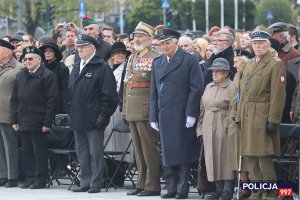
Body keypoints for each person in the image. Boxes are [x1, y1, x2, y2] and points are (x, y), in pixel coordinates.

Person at [150, 28, 204, 199]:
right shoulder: (157, 62)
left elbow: (196, 88)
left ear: (175, 42)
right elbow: (154, 92)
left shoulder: (189, 59)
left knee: (182, 153)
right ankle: (171, 188)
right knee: (167, 153)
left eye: (167, 43)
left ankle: (182, 189)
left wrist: (191, 113)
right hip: (164, 113)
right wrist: (153, 115)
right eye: (162, 44)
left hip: (181, 113)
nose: (164, 47)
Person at [235, 30, 286, 199]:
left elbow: (278, 95)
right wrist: (239, 116)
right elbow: (243, 92)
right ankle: (257, 193)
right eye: (255, 43)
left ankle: (270, 194)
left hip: (262, 117)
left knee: (264, 159)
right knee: (251, 158)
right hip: (248, 115)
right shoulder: (249, 64)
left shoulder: (275, 63)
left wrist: (273, 119)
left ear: (268, 44)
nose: (257, 46)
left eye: (261, 43)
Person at [69, 34, 118, 193]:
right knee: (81, 152)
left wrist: (103, 116)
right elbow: (70, 92)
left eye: (83, 47)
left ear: (92, 49)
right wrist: (70, 108)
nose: (80, 50)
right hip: (78, 116)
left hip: (94, 117)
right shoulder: (77, 66)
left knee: (95, 152)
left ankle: (96, 183)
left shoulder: (101, 66)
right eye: (79, 47)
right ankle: (85, 181)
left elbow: (110, 96)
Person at [11, 46, 58, 189]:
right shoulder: (21, 75)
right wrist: (15, 119)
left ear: (39, 59)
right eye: (25, 59)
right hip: (23, 118)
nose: (27, 61)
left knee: (39, 152)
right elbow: (14, 99)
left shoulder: (47, 75)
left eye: (30, 58)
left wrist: (47, 122)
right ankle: (30, 177)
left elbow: (52, 100)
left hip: (39, 119)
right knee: (27, 151)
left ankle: (40, 179)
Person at [122, 21, 161, 197]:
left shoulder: (155, 57)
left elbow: (156, 88)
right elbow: (127, 86)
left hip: (146, 110)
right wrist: (124, 109)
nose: (136, 39)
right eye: (135, 36)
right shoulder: (132, 56)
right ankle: (141, 182)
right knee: (138, 151)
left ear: (149, 38)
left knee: (148, 149)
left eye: (140, 36)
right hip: (132, 109)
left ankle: (152, 185)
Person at [197, 58, 233, 200]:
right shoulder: (209, 86)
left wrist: (230, 127)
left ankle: (227, 189)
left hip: (223, 124)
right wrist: (199, 129)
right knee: (211, 156)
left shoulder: (232, 86)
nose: (214, 73)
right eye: (213, 71)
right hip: (207, 124)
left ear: (226, 73)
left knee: (225, 157)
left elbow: (235, 109)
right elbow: (202, 109)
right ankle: (217, 189)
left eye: (218, 71)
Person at [104, 42, 133, 187]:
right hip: (107, 109)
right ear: (112, 55)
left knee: (121, 143)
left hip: (120, 109)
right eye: (117, 52)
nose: (120, 55)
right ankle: (108, 174)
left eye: (123, 52)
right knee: (107, 143)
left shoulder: (127, 69)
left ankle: (118, 176)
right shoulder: (107, 68)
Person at [227, 49, 253, 200]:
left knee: (249, 156)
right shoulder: (237, 75)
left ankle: (252, 186)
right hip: (234, 120)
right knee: (237, 157)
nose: (234, 65)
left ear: (245, 61)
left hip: (247, 120)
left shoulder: (251, 74)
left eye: (237, 61)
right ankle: (244, 186)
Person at [0, 39, 23, 188]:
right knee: (1, 146)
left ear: (7, 52)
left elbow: (21, 94)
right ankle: (3, 174)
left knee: (10, 145)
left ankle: (12, 176)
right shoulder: (1, 67)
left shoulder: (18, 68)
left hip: (9, 113)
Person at [39, 42, 69, 114]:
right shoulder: (41, 68)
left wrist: (66, 109)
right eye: (45, 51)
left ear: (55, 53)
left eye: (50, 51)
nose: (47, 53)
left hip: (57, 105)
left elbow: (65, 90)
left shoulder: (62, 68)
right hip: (42, 104)